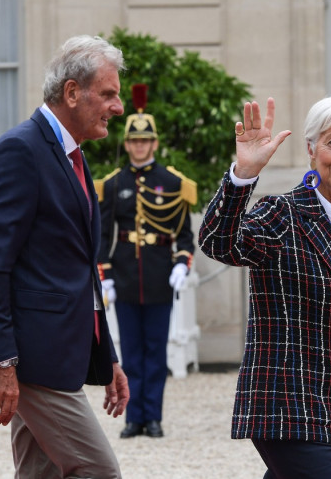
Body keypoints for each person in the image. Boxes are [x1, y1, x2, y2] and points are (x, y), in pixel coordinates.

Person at [199, 96, 331, 478]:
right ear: (311, 148)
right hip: (284, 402)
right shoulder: (282, 213)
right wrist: (243, 175)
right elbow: (218, 242)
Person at [0, 35, 130, 477]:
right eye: (109, 94)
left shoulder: (71, 153)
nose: (118, 107)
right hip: (34, 356)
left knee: (40, 475)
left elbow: (80, 271)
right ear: (72, 93)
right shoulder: (21, 150)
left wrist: (107, 354)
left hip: (61, 351)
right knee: (99, 471)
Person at [97, 84, 197, 439]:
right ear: (126, 144)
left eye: (146, 141)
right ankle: (131, 418)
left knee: (156, 353)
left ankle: (152, 417)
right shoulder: (112, 184)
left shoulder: (172, 183)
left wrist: (182, 264)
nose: (140, 146)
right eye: (134, 141)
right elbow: (102, 234)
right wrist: (103, 271)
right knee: (131, 352)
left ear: (154, 143)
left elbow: (184, 234)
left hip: (158, 277)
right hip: (123, 277)